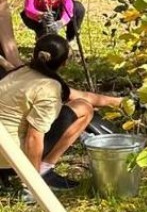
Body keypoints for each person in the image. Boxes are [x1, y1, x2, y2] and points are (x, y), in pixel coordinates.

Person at [0, 34, 133, 192]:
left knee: (82, 105)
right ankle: (43, 171)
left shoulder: (19, 73)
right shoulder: (48, 88)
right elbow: (34, 136)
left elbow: (81, 97)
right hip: (10, 159)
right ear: (63, 63)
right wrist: (32, 184)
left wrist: (122, 102)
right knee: (85, 110)